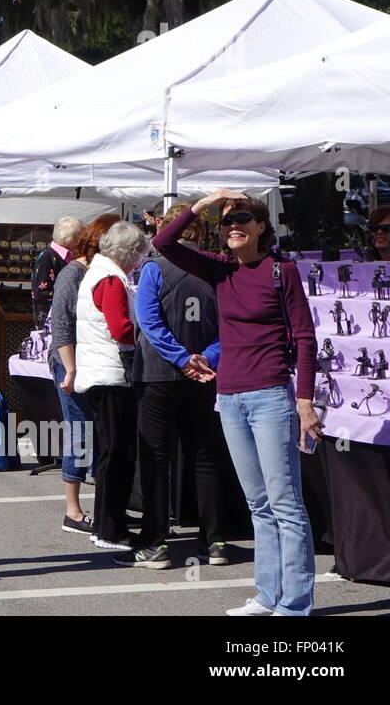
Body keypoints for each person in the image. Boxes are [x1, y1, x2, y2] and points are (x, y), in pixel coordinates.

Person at [155, 190, 319, 616]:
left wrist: (305, 400)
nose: (233, 226)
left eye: (242, 218)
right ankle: (267, 597)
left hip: (270, 398)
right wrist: (205, 202)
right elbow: (164, 243)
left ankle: (295, 603)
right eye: (226, 221)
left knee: (285, 504)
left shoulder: (282, 271)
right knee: (258, 505)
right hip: (229, 399)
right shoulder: (220, 270)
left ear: (262, 226)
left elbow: (305, 338)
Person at [121, 204, 242, 571]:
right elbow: (230, 326)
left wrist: (182, 358)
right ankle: (215, 540)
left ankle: (155, 543)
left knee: (157, 460)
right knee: (204, 456)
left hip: (161, 374)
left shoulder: (156, 268)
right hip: (202, 375)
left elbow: (148, 321)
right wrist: (205, 357)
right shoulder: (218, 271)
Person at [74, 221, 151, 551]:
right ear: (131, 253)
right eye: (139, 255)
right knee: (117, 454)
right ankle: (110, 528)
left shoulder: (98, 272)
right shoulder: (110, 278)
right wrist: (143, 334)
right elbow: (120, 328)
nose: (139, 262)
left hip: (98, 371)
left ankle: (107, 524)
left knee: (110, 451)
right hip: (111, 374)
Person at [49, 215, 109, 537]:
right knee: (79, 431)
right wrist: (70, 369)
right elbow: (60, 326)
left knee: (92, 431)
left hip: (87, 361)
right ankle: (73, 511)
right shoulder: (72, 274)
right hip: (70, 361)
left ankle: (97, 509)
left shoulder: (94, 272)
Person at [32, 216, 76, 328]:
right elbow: (41, 293)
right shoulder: (47, 257)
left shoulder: (67, 257)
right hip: (51, 324)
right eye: (79, 237)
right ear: (69, 237)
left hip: (63, 321)